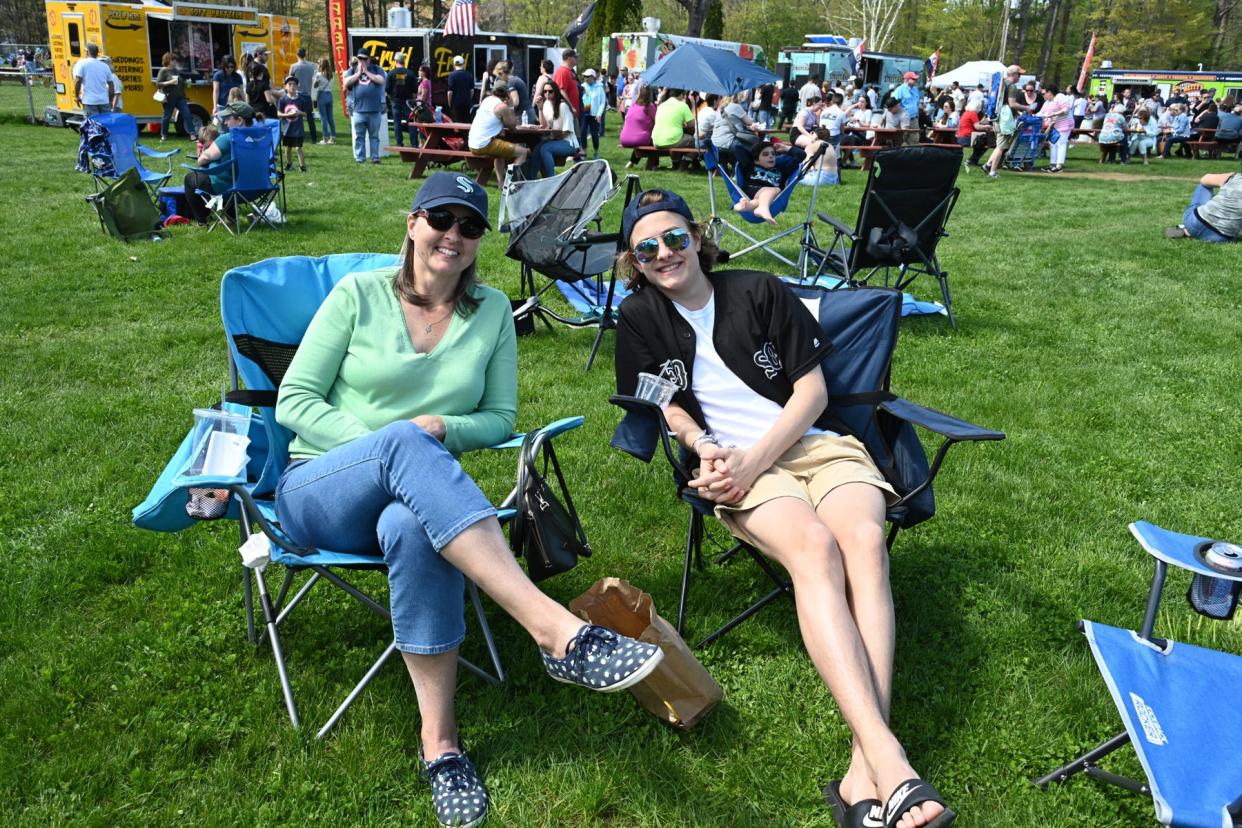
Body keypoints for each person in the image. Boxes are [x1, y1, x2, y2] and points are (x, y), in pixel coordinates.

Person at [275, 172, 665, 828]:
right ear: (412, 222)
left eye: (470, 226)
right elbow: (294, 402)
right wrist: (388, 442)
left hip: (422, 501)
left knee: (409, 526)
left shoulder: (490, 316)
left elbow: (498, 417)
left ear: (480, 241)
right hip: (321, 488)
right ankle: (555, 632)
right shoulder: (357, 296)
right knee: (402, 447)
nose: (453, 235)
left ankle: (442, 747)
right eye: (441, 219)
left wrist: (443, 431)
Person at [613, 189, 957, 828]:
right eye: (648, 247)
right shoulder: (639, 318)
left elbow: (812, 390)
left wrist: (758, 456)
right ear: (634, 260)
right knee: (816, 551)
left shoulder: (757, 290)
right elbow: (666, 405)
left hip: (818, 446)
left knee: (864, 546)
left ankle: (867, 767)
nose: (665, 254)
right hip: (732, 467)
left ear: (697, 236)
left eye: (676, 238)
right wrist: (705, 446)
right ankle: (891, 762)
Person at [184, 100, 254, 225]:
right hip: (255, 188)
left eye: (228, 118)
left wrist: (205, 154)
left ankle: (202, 221)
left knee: (190, 178)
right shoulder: (260, 137)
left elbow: (202, 160)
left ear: (240, 120)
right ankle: (231, 218)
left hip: (229, 188)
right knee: (227, 174)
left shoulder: (227, 138)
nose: (226, 122)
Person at [467, 81, 530, 182]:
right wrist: (510, 106)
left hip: (472, 143)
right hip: (485, 144)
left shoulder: (486, 100)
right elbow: (512, 126)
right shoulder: (502, 107)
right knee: (523, 152)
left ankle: (501, 183)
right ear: (506, 94)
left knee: (499, 154)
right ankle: (509, 182)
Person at [733, 141, 805, 224]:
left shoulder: (782, 171)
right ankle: (763, 208)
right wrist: (757, 149)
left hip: (768, 198)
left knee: (761, 199)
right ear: (756, 160)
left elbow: (801, 155)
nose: (771, 156)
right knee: (776, 189)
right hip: (752, 190)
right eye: (765, 154)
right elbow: (737, 148)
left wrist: (786, 148)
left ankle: (747, 205)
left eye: (773, 154)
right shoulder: (751, 166)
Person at [1164, 172, 1241, 242]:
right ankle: (1187, 231)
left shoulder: (1236, 178)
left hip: (1196, 222)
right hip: (1221, 237)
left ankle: (1188, 230)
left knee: (1204, 186)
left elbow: (1204, 179)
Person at [985, 64, 1029, 179]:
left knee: (999, 144)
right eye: (1019, 74)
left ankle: (988, 165)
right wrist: (1026, 108)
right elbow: (1012, 103)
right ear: (1013, 74)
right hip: (1004, 120)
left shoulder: (1001, 83)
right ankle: (993, 172)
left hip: (996, 116)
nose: (1020, 77)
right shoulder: (1012, 86)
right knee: (1001, 147)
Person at [345, 49, 386, 164]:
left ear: (369, 59)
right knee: (359, 136)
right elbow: (346, 83)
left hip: (374, 110)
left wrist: (366, 72)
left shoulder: (377, 70)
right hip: (358, 110)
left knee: (374, 136)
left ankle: (374, 157)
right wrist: (358, 74)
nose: (361, 61)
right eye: (359, 59)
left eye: (364, 59)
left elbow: (381, 81)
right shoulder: (352, 70)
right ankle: (360, 158)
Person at [533, 80, 579, 177]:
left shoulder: (563, 106)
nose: (547, 94)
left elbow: (567, 132)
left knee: (545, 148)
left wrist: (552, 138)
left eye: (550, 91)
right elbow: (544, 126)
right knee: (536, 148)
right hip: (555, 139)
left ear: (556, 91)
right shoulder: (546, 104)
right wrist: (540, 109)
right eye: (545, 91)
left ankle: (551, 178)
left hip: (569, 142)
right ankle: (529, 178)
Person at [155, 52, 193, 141]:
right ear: (167, 60)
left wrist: (186, 82)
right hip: (169, 97)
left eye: (175, 60)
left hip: (180, 97)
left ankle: (192, 134)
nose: (175, 62)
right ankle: (164, 135)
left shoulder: (176, 70)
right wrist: (169, 82)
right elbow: (158, 84)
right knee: (167, 116)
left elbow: (179, 82)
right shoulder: (163, 70)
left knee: (187, 114)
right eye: (173, 60)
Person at [652, 87, 696, 159]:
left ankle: (676, 163)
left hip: (656, 141)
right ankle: (684, 164)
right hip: (672, 140)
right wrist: (693, 104)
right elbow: (692, 124)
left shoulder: (661, 105)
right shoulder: (682, 105)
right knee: (694, 141)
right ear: (682, 95)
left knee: (680, 139)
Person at [620, 84, 657, 168]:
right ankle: (652, 164)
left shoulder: (633, 106)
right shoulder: (649, 107)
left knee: (641, 138)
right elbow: (657, 121)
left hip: (624, 138)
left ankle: (631, 162)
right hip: (639, 139)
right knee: (656, 141)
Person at [1038, 86, 1073, 172]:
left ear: (1049, 92)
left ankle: (1059, 166)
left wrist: (1053, 114)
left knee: (1061, 143)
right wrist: (1032, 115)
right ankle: (1052, 165)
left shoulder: (1060, 97)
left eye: (1044, 93)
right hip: (1054, 126)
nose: (1043, 95)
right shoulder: (1047, 102)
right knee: (1053, 144)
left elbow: (1066, 109)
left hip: (1064, 125)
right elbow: (1041, 113)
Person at [386, 52, 417, 147]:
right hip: (408, 102)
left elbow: (387, 90)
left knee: (397, 123)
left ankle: (399, 144)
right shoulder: (411, 74)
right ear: (404, 61)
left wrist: (391, 100)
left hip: (396, 101)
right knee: (411, 123)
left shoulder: (391, 74)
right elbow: (415, 91)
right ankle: (414, 144)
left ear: (395, 61)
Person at [277, 76, 307, 172]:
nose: (292, 86)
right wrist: (287, 114)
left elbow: (306, 113)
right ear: (285, 87)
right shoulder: (283, 99)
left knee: (298, 148)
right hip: (287, 128)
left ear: (297, 86)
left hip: (298, 128)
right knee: (288, 148)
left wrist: (299, 113)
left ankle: (302, 166)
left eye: (294, 84)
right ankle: (289, 164)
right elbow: (278, 113)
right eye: (289, 84)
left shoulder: (301, 99)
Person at [290, 47, 318, 144]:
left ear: (297, 55)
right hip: (307, 95)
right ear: (305, 55)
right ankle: (314, 138)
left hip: (298, 95)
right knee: (310, 118)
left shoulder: (294, 66)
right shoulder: (311, 67)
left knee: (296, 117)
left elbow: (289, 80)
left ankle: (297, 136)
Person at [580, 68, 607, 159]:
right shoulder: (582, 86)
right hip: (585, 113)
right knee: (583, 132)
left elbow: (603, 102)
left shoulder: (599, 87)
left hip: (594, 115)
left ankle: (596, 152)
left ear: (593, 77)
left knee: (594, 134)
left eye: (587, 76)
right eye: (584, 76)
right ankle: (584, 152)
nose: (585, 78)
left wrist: (599, 114)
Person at [246, 46, 275, 119]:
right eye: (265, 55)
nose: (267, 57)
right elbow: (267, 88)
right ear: (258, 54)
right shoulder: (255, 67)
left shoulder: (255, 67)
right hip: (263, 107)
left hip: (255, 107)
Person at [313, 58, 337, 145]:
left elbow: (315, 86)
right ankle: (332, 137)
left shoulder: (318, 75)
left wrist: (316, 76)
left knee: (323, 118)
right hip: (329, 95)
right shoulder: (331, 75)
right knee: (330, 117)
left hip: (322, 95)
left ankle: (325, 138)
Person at [212, 55, 243, 120]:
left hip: (235, 106)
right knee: (222, 126)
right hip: (222, 105)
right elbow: (216, 91)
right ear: (223, 66)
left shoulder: (238, 76)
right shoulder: (218, 75)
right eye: (227, 67)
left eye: (232, 67)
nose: (230, 69)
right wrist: (215, 107)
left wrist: (244, 103)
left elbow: (241, 91)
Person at [446, 55, 474, 124]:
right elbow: (472, 91)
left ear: (454, 64)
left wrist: (449, 103)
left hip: (456, 104)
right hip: (467, 104)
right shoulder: (469, 74)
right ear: (463, 63)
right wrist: (468, 99)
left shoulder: (452, 75)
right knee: (467, 123)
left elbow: (450, 92)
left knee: (457, 124)